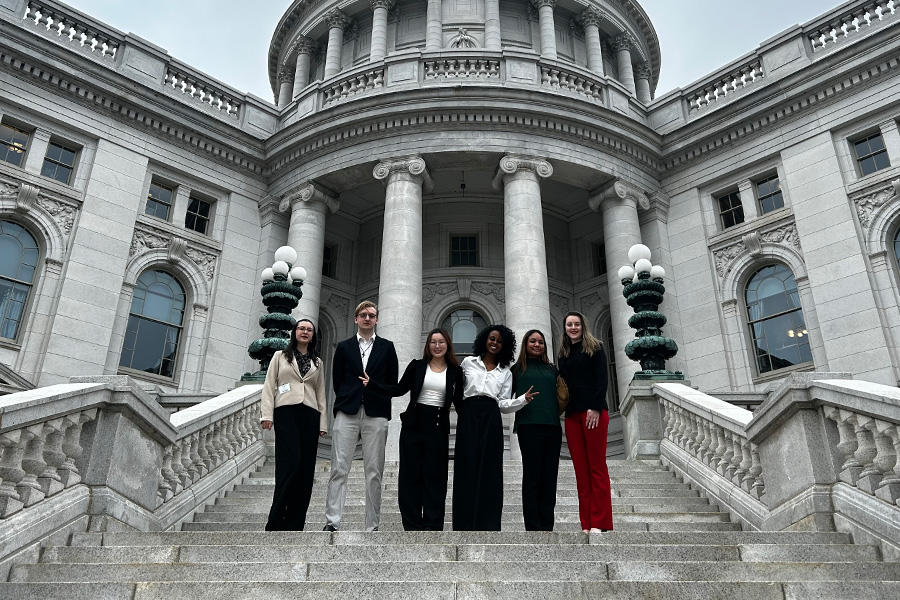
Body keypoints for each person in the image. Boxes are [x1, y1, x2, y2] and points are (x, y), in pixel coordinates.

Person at [361, 328, 463, 530]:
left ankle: (433, 525)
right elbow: (398, 389)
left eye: (441, 342)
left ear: (447, 345)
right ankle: (412, 524)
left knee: (435, 477)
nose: (437, 346)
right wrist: (372, 384)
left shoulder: (456, 371)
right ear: (428, 345)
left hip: (438, 426)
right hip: (413, 426)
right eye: (433, 342)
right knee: (410, 477)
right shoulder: (417, 366)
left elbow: (460, 403)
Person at [324, 301, 398, 532]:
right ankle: (332, 522)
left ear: (377, 320)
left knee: (374, 471)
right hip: (348, 411)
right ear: (356, 319)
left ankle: (372, 525)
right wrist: (350, 396)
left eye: (372, 315)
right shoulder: (345, 347)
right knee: (339, 468)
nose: (367, 318)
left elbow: (391, 383)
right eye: (363, 315)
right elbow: (338, 380)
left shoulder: (387, 347)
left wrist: (372, 387)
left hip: (376, 413)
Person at [453, 324, 536, 531]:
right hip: (469, 413)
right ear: (484, 339)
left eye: (499, 341)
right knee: (466, 466)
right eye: (492, 338)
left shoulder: (505, 373)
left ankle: (487, 523)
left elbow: (502, 404)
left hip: (491, 416)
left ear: (504, 346)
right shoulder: (468, 363)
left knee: (489, 469)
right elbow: (457, 391)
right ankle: (464, 524)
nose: (494, 343)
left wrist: (522, 400)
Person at [260, 318, 327, 531]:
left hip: (310, 414)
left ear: (313, 335)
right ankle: (276, 521)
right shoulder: (280, 357)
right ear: (295, 332)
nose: (305, 332)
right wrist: (266, 415)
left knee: (306, 470)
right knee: (290, 464)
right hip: (286, 412)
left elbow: (320, 394)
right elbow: (269, 385)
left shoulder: (318, 362)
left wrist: (322, 422)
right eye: (301, 329)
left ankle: (295, 523)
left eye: (309, 330)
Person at [557, 311, 612, 533]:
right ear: (565, 328)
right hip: (572, 417)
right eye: (569, 324)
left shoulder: (595, 347)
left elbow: (602, 379)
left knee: (596, 467)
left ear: (582, 326)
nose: (573, 328)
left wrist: (595, 407)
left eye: (576, 324)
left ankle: (600, 522)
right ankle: (586, 524)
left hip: (594, 413)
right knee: (581, 471)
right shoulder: (563, 353)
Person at [512, 329, 562, 531]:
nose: (537, 345)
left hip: (552, 426)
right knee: (533, 476)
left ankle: (547, 525)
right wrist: (522, 399)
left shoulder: (552, 369)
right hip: (528, 426)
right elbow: (505, 398)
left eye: (540, 342)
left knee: (550, 477)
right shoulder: (516, 370)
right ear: (526, 344)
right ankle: (532, 526)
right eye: (532, 341)